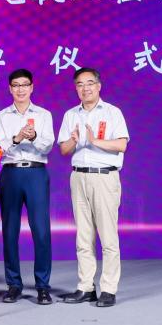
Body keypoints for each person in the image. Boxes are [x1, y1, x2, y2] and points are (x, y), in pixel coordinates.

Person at [57, 67, 129, 307]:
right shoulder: (70, 115)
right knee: (83, 236)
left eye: (89, 83)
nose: (85, 88)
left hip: (104, 177)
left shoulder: (112, 112)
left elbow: (121, 145)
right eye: (80, 84)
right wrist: (74, 140)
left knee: (108, 236)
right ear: (76, 88)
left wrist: (95, 141)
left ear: (98, 86)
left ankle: (108, 289)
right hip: (79, 177)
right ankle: (86, 287)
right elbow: (64, 150)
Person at [0, 68, 54, 304]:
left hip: (36, 173)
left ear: (32, 87)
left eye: (24, 85)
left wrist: (34, 136)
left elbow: (48, 146)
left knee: (41, 230)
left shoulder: (44, 115)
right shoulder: (1, 116)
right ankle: (14, 285)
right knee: (10, 230)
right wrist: (17, 138)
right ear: (10, 89)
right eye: (16, 85)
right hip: (11, 173)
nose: (20, 89)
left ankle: (43, 286)